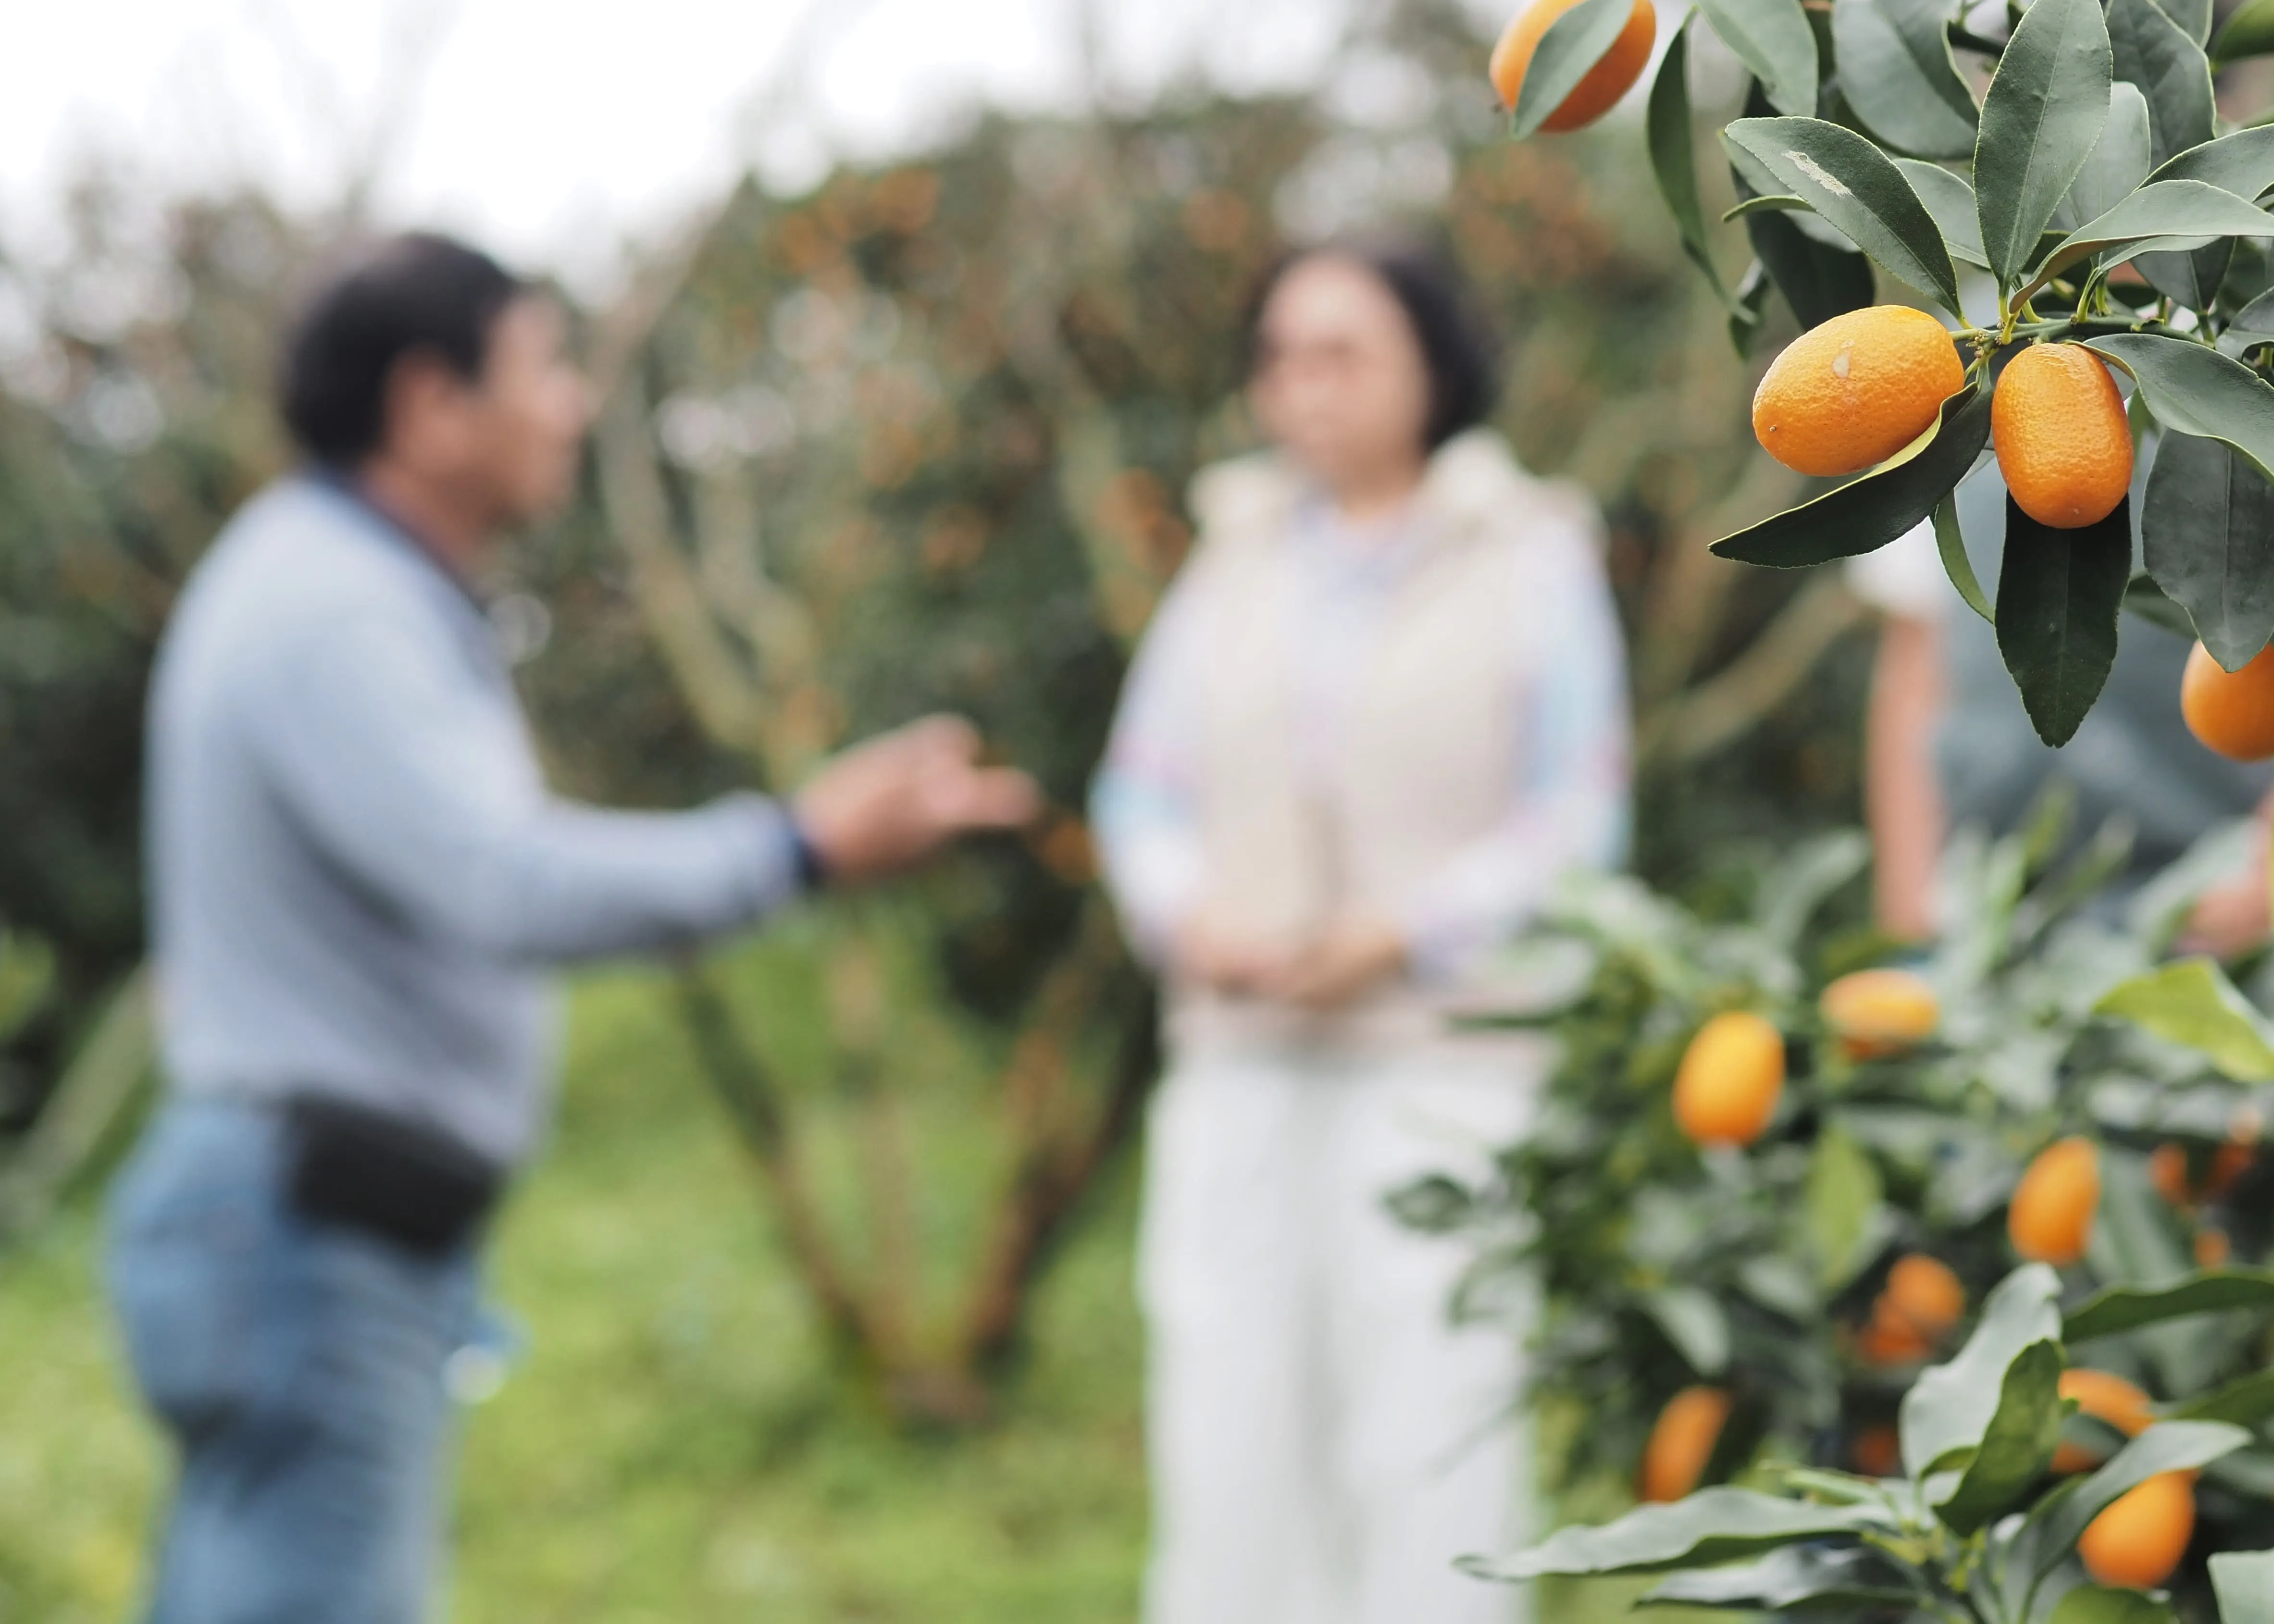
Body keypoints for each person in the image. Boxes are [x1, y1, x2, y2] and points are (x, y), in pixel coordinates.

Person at [106, 233, 1038, 1624]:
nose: (572, 406)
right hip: (311, 1235)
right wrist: (798, 847)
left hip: (306, 1224)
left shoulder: (332, 584)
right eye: (543, 366)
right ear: (432, 403)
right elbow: (503, 882)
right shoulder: (337, 605)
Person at [1092, 243, 1631, 1624]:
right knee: (1229, 1432)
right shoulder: (1235, 555)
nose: (1301, 389)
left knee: (1436, 1434)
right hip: (1245, 1060)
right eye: (1280, 357)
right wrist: (1187, 915)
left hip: (1444, 1069)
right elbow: (1142, 789)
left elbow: (1577, 815)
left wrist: (1407, 929)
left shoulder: (1529, 553)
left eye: (1341, 355)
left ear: (1430, 370)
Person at [1851, 463, 2274, 948]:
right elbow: (1917, 649)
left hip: (2218, 911)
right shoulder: (1953, 363)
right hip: (1976, 917)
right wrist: (1912, 911)